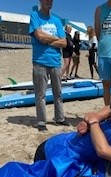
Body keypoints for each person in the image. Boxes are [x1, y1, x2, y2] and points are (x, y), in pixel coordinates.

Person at [29, 0, 70, 132]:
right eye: (47, 0)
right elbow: (39, 35)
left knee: (58, 93)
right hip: (40, 61)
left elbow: (64, 43)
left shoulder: (57, 20)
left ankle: (59, 118)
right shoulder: (35, 15)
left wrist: (46, 41)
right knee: (40, 94)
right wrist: (54, 38)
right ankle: (41, 122)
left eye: (51, 0)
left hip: (55, 62)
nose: (49, 2)